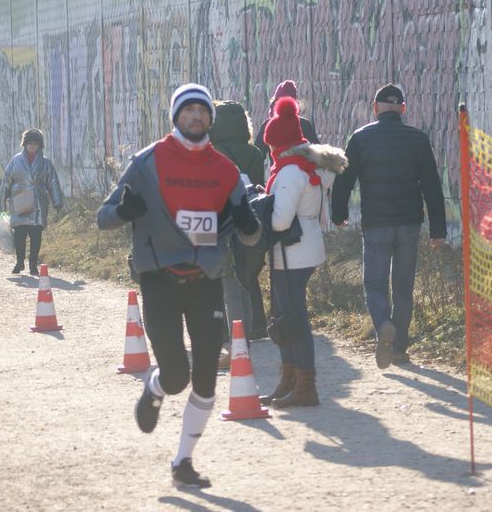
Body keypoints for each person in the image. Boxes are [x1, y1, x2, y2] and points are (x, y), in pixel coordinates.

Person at [96, 83, 260, 489]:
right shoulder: (146, 163)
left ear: (210, 119)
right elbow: (103, 217)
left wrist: (247, 223)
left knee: (206, 377)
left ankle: (183, 461)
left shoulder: (225, 170)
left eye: (202, 111)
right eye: (188, 110)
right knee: (176, 376)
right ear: (175, 117)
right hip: (160, 282)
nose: (196, 117)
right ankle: (155, 387)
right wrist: (123, 211)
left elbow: (252, 236)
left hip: (206, 282)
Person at [331, 83, 446, 369]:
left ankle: (383, 324)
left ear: (375, 108)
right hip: (409, 225)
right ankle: (399, 350)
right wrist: (438, 230)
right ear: (403, 109)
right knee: (403, 289)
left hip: (376, 224)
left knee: (375, 286)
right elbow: (432, 186)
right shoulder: (418, 139)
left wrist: (338, 214)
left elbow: (344, 180)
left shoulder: (361, 138)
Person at [258, 97, 346, 408]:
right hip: (306, 245)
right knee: (287, 315)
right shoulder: (311, 167)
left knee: (292, 318)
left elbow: (280, 221)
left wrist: (259, 212)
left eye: (272, 145)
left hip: (291, 251)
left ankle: (304, 385)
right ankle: (290, 381)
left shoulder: (289, 173)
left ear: (279, 145)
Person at [210, 100, 268, 344]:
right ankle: (258, 325)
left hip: (222, 219)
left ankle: (226, 329)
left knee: (223, 276)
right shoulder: (254, 153)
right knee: (248, 272)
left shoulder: (213, 152)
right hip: (249, 217)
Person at [0, 129, 65, 275]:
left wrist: (57, 202)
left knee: (36, 235)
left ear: (40, 145)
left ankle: (33, 264)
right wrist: (2, 203)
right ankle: (19, 262)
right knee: (20, 233)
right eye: (30, 142)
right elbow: (6, 182)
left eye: (35, 143)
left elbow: (53, 182)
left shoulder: (46, 163)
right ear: (25, 144)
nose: (32, 145)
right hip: (20, 202)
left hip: (38, 203)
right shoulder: (15, 161)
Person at [254, 80, 319, 163]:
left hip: (278, 170)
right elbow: (317, 154)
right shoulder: (304, 124)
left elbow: (257, 157)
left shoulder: (269, 125)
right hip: (301, 169)